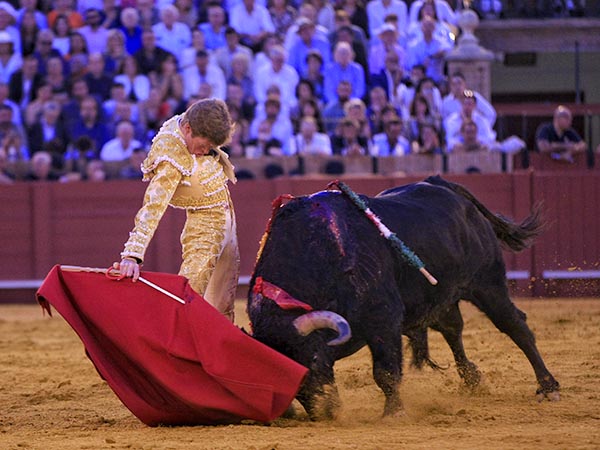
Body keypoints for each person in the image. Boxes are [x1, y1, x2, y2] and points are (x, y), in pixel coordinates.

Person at [117, 98, 239, 322]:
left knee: (222, 303)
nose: (203, 152)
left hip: (226, 213)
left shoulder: (193, 120)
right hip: (205, 224)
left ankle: (217, 352)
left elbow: (207, 110)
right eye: (202, 146)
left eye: (210, 148)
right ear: (188, 129)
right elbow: (154, 205)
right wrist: (132, 255)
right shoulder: (171, 155)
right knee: (187, 297)